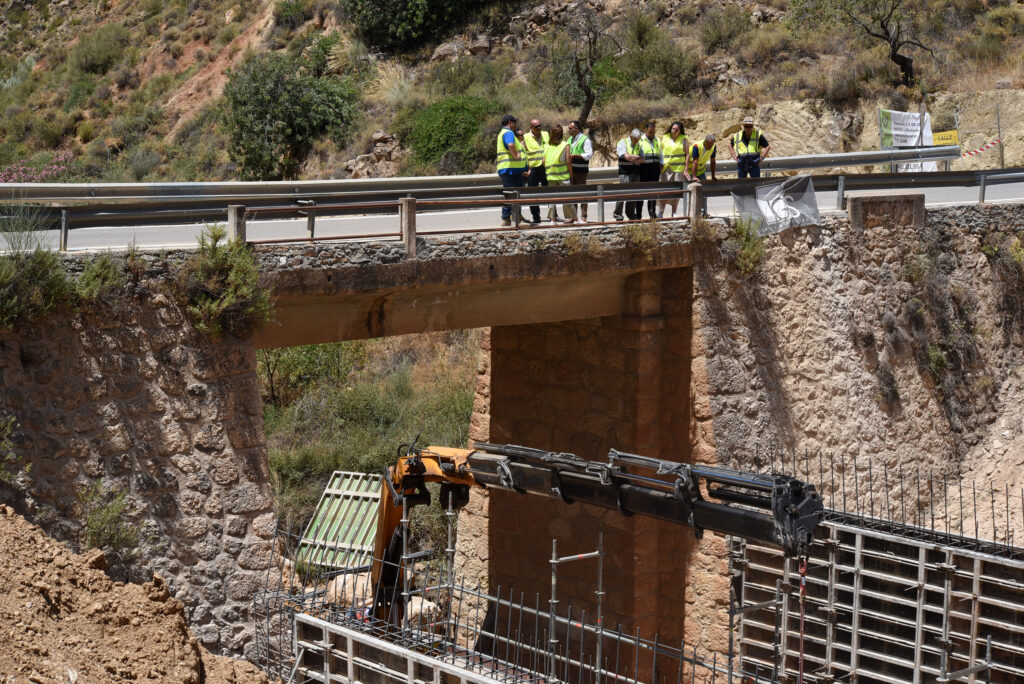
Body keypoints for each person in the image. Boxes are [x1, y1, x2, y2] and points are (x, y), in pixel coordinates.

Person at [496, 114, 527, 226]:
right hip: (510, 169)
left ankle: (506, 219)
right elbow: (510, 145)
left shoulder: (502, 133)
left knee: (509, 194)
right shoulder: (508, 133)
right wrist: (516, 156)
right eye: (514, 122)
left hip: (508, 169)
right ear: (510, 122)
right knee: (516, 194)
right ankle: (517, 218)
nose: (515, 124)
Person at [544, 125, 576, 223]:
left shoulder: (546, 145)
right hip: (563, 175)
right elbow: (568, 161)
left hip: (550, 176)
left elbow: (543, 161)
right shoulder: (565, 145)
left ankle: (552, 219)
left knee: (551, 198)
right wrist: (571, 174)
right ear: (561, 134)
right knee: (567, 198)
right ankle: (572, 218)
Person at [657, 121, 690, 218]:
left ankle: (674, 212)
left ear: (680, 131)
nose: (674, 131)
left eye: (677, 129)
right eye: (673, 129)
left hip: (679, 168)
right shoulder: (665, 137)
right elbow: (660, 152)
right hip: (665, 168)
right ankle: (661, 212)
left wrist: (686, 169)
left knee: (676, 191)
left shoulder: (684, 139)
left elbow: (687, 154)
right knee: (663, 190)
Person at [613, 129, 644, 221]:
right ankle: (618, 214)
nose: (637, 141)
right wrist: (636, 157)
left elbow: (643, 159)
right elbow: (626, 157)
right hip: (625, 172)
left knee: (634, 194)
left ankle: (630, 214)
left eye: (638, 139)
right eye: (635, 139)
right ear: (631, 136)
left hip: (636, 171)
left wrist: (632, 157)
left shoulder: (639, 144)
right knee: (623, 193)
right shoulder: (623, 142)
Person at [523, 119, 550, 225]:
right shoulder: (525, 137)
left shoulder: (545, 134)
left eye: (540, 126)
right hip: (533, 168)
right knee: (532, 194)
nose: (539, 128)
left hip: (545, 167)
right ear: (531, 127)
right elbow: (523, 152)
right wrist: (526, 168)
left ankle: (553, 215)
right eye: (536, 127)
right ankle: (536, 216)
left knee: (549, 191)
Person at [566, 120, 593, 222]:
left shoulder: (585, 140)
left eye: (570, 128)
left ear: (576, 129)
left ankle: (584, 216)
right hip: (570, 171)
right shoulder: (570, 139)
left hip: (581, 171)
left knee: (583, 194)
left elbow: (589, 154)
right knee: (572, 194)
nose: (568, 130)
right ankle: (573, 216)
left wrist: (575, 156)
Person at [687, 134, 717, 217]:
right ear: (705, 142)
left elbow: (713, 161)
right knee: (691, 193)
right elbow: (695, 162)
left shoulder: (713, 146)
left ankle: (703, 213)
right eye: (709, 145)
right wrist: (694, 176)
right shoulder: (697, 146)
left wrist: (713, 175)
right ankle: (692, 214)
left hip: (701, 171)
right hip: (690, 172)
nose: (710, 147)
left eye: (711, 145)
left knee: (704, 192)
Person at [638, 121, 662, 219]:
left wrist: (662, 163)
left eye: (653, 132)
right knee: (642, 193)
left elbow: (660, 153)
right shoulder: (640, 140)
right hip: (644, 169)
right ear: (645, 131)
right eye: (650, 132)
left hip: (655, 169)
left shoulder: (657, 140)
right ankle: (638, 215)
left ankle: (652, 214)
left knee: (653, 193)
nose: (652, 134)